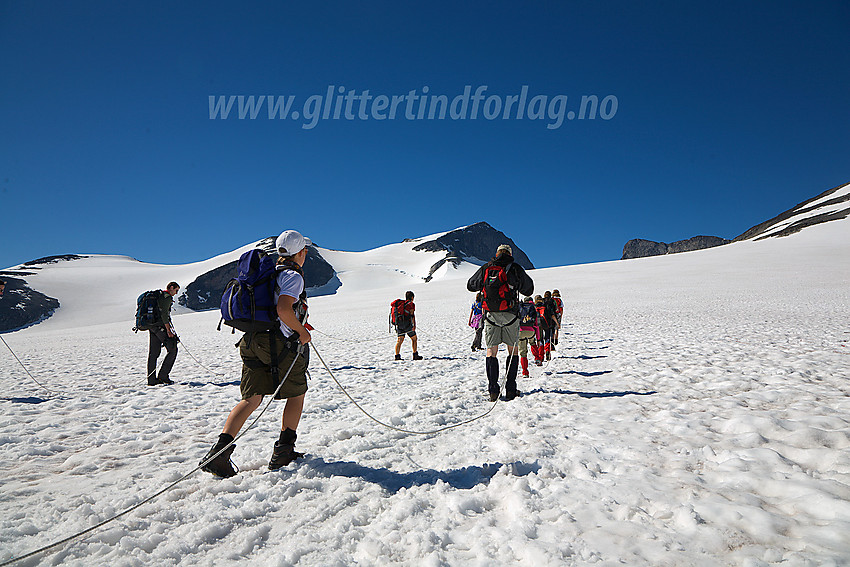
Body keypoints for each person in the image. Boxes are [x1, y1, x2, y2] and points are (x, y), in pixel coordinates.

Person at [200, 230, 313, 478]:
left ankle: (219, 453)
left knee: (251, 398)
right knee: (296, 394)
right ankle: (283, 452)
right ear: (300, 252)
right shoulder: (292, 276)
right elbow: (284, 309)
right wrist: (301, 331)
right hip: (278, 343)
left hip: (251, 340)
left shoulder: (268, 273)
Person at [466, 244, 534, 401]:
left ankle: (493, 390)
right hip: (511, 316)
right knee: (513, 351)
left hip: (491, 316)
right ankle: (510, 389)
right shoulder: (515, 268)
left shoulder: (487, 267)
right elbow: (529, 290)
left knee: (491, 352)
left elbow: (470, 285)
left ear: (496, 254)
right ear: (510, 254)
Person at [147, 282, 180, 386]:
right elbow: (164, 314)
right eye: (176, 290)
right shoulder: (166, 297)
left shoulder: (159, 296)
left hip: (152, 326)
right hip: (160, 326)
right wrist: (168, 330)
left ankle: (151, 380)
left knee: (153, 354)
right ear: (171, 288)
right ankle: (163, 376)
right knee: (173, 349)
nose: (176, 293)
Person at [392, 291, 422, 360]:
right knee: (414, 339)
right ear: (412, 297)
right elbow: (412, 315)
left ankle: (397, 356)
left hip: (399, 324)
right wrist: (414, 325)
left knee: (400, 340)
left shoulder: (401, 304)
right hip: (407, 325)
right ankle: (415, 355)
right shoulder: (411, 304)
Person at [518, 296, 540, 377]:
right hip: (530, 331)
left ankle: (525, 372)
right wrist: (538, 338)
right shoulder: (533, 308)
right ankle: (537, 358)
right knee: (532, 342)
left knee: (523, 353)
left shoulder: (520, 307)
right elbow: (537, 325)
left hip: (521, 331)